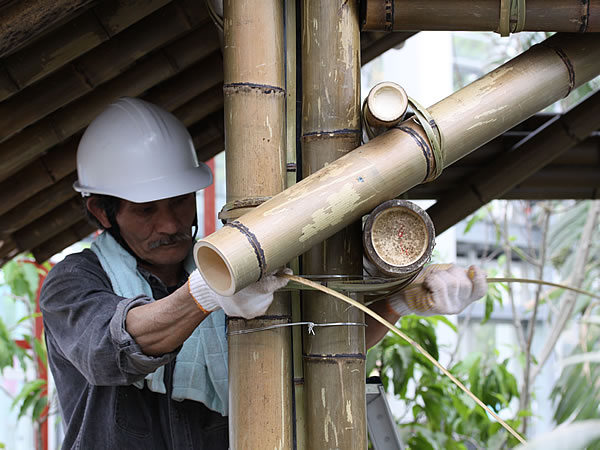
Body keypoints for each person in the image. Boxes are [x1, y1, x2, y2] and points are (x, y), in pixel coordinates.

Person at [39, 97, 487, 449]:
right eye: (146, 211)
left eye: (180, 201)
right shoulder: (73, 282)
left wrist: (398, 302)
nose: (172, 224)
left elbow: (316, 349)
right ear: (102, 211)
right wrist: (209, 291)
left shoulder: (235, 268)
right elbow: (110, 348)